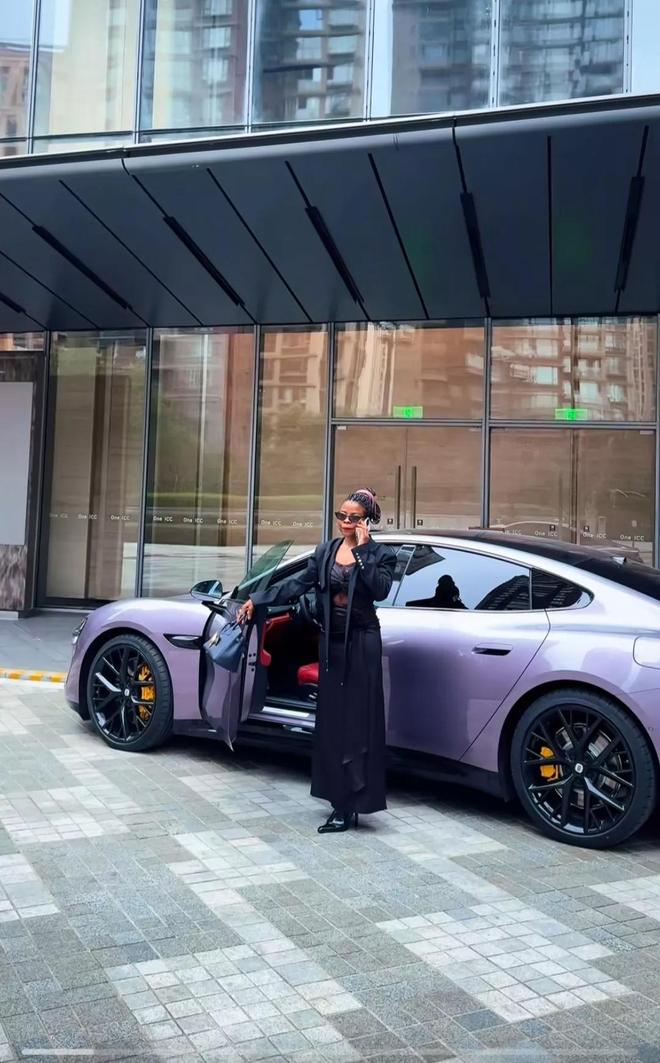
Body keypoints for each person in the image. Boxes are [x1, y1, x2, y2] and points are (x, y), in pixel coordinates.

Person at [237, 488, 396, 834]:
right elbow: (296, 584)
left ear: (366, 521)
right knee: (333, 722)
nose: (345, 522)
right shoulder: (325, 552)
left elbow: (380, 590)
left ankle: (353, 803)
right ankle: (339, 800)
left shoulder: (381, 554)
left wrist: (364, 549)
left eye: (353, 518)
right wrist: (257, 600)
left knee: (358, 722)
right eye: (341, 516)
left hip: (363, 642)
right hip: (331, 645)